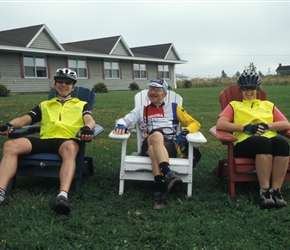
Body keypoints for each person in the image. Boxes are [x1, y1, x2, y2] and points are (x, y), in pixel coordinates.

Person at [0, 68, 96, 215]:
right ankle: (1, 191)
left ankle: (62, 196)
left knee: (70, 148)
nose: (63, 85)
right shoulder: (44, 105)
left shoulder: (81, 104)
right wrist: (10, 125)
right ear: (55, 84)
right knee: (10, 145)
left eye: (67, 83)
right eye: (60, 82)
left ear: (73, 87)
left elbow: (89, 120)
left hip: (66, 141)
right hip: (46, 140)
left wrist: (88, 128)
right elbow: (24, 119)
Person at [113, 78, 201, 210]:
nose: (152, 92)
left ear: (165, 94)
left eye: (157, 90)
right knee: (156, 136)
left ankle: (160, 190)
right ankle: (168, 174)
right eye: (151, 89)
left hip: (168, 147)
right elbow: (125, 119)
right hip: (147, 143)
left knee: (154, 149)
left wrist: (186, 131)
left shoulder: (174, 108)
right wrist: (121, 124)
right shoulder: (141, 110)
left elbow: (194, 123)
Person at [216, 71, 289, 209]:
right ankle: (265, 192)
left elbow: (286, 124)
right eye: (245, 89)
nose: (249, 92)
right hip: (244, 142)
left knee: (282, 143)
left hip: (269, 138)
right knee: (263, 142)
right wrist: (245, 128)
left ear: (257, 89)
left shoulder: (268, 105)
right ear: (240, 90)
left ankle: (276, 191)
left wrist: (268, 126)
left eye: (252, 88)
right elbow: (221, 124)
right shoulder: (234, 105)